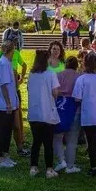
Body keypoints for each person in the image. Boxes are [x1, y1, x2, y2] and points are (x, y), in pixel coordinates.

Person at [73, 52, 96, 176]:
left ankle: (93, 167)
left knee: (91, 141)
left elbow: (77, 98)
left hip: (88, 113)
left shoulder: (81, 79)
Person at [26, 50, 61, 178]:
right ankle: (49, 169)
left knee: (36, 142)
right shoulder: (51, 74)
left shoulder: (32, 75)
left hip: (34, 113)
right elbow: (55, 92)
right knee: (48, 143)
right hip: (47, 112)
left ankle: (33, 167)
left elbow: (29, 88)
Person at [53, 56, 82, 173]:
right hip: (75, 108)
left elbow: (53, 90)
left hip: (60, 107)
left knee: (57, 136)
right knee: (72, 139)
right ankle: (70, 165)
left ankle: (61, 160)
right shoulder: (79, 77)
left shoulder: (58, 75)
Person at [0, 41, 20, 168]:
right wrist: (9, 103)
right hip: (4, 104)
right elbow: (4, 85)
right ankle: (0, 157)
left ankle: (5, 154)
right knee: (2, 130)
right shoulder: (3, 64)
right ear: (11, 50)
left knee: (8, 129)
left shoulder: (7, 63)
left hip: (10, 102)